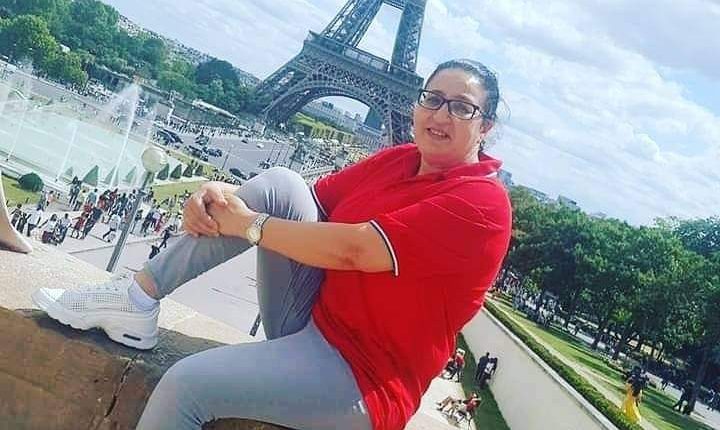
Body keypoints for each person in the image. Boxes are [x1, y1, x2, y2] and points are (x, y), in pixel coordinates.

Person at [31, 59, 511, 430]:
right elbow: (296, 201)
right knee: (281, 182)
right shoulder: (400, 160)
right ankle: (138, 297)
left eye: (462, 107)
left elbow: (356, 250)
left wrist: (249, 225)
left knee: (185, 385)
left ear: (485, 126)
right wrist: (217, 195)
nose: (441, 114)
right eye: (433, 98)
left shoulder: (482, 203)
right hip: (311, 317)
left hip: (361, 375)